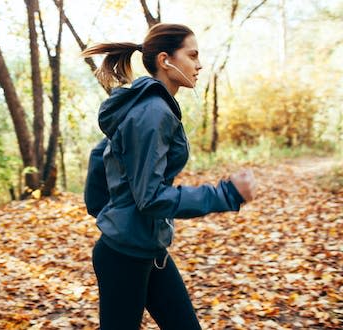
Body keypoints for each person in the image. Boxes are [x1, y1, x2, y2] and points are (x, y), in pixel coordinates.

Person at [82, 23, 257, 330]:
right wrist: (226, 194)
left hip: (145, 248)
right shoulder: (153, 112)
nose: (199, 64)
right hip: (125, 256)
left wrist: (108, 212)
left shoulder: (143, 105)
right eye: (192, 55)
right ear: (166, 60)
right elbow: (150, 197)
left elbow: (101, 155)